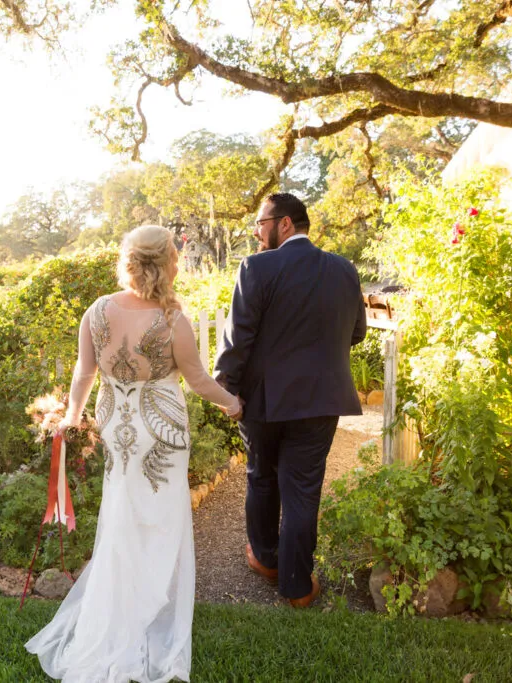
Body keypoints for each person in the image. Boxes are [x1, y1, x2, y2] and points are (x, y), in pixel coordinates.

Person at [25, 225, 242, 683]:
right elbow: (199, 382)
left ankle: (122, 608)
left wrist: (72, 417)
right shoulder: (172, 321)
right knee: (162, 520)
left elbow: (84, 374)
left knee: (122, 516)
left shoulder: (97, 311)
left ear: (128, 261)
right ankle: (150, 613)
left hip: (118, 429)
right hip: (161, 431)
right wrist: (233, 403)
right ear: (167, 263)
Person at [214, 192, 367, 608]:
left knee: (262, 476)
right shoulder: (344, 269)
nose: (258, 232)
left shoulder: (256, 267)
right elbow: (357, 333)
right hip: (321, 401)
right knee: (302, 488)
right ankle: (297, 586)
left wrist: (225, 387)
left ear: (284, 223)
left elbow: (237, 338)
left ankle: (265, 560)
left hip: (263, 401)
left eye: (261, 223)